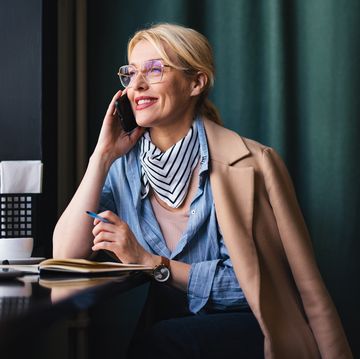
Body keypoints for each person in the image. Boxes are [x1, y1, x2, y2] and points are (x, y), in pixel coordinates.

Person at [53, 23, 352, 359]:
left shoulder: (253, 163)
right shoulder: (123, 168)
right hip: (173, 328)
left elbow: (254, 288)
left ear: (196, 83)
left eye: (154, 70)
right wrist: (101, 156)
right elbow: (66, 254)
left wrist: (152, 263)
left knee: (161, 342)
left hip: (256, 327)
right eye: (131, 72)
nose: (137, 85)